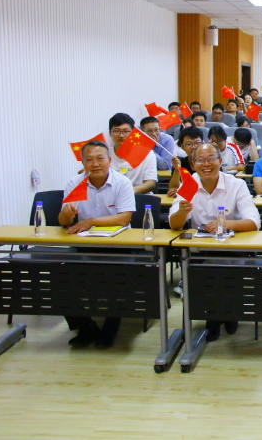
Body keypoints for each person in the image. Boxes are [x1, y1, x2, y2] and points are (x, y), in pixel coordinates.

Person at [169, 143, 260, 341]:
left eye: (211, 158)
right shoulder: (188, 185)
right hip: (201, 250)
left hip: (233, 248)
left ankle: (223, 315)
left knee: (226, 269)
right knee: (206, 270)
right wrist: (181, 212)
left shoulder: (236, 184)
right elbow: (174, 225)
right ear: (193, 164)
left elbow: (254, 221)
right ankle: (219, 316)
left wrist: (226, 224)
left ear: (220, 161)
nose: (206, 164)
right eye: (200, 160)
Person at [58, 140, 135, 348]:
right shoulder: (75, 183)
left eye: (100, 158)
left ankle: (110, 327)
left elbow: (124, 218)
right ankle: (86, 327)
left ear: (109, 160)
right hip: (85, 243)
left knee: (116, 278)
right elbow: (64, 222)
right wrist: (66, 214)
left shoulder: (122, 182)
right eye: (89, 160)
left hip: (119, 244)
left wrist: (90, 221)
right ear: (83, 163)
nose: (95, 164)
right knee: (62, 277)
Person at [108, 113, 157, 194]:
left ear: (133, 133)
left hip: (139, 197)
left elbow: (150, 183)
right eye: (116, 131)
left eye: (126, 131)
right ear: (110, 133)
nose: (121, 135)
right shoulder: (104, 155)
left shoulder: (146, 153)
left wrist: (127, 192)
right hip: (111, 197)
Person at [167, 126, 203, 197]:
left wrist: (182, 191)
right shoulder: (180, 162)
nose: (193, 147)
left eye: (196, 143)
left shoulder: (209, 163)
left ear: (202, 144)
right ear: (182, 147)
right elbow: (173, 188)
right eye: (189, 144)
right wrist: (177, 170)